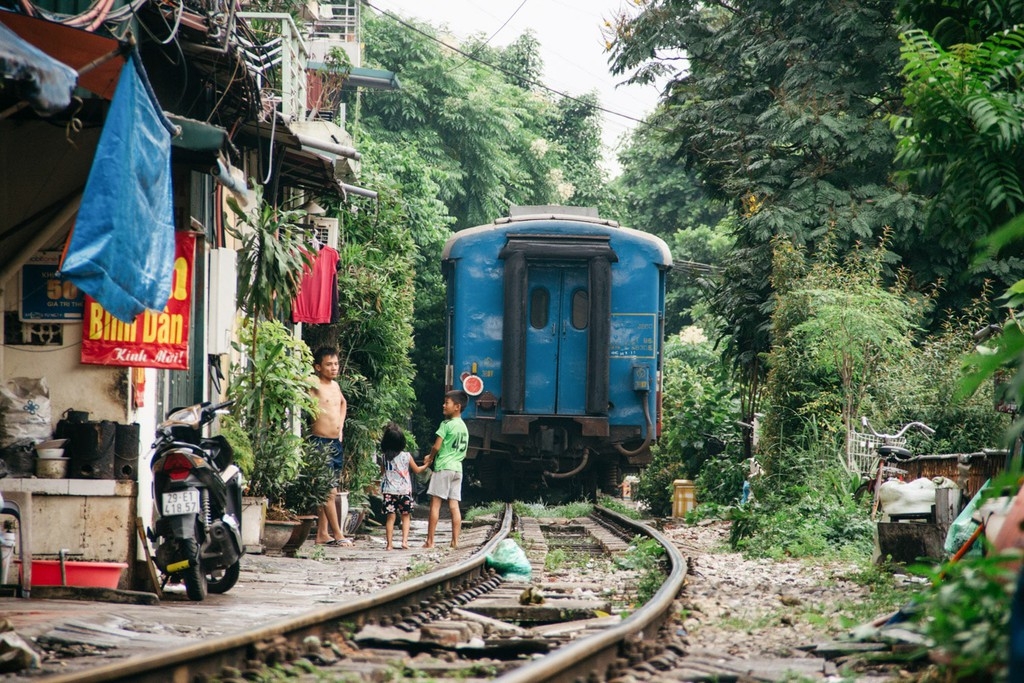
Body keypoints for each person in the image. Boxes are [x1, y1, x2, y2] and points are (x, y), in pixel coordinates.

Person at [308, 346, 352, 547]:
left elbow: (343, 403)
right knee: (328, 491)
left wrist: (341, 426)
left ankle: (322, 534)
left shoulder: (335, 386)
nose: (334, 368)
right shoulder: (313, 384)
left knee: (329, 489)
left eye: (336, 364)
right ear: (318, 367)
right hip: (320, 442)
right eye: (328, 364)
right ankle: (338, 534)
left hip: (335, 443)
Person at [423, 389, 469, 549]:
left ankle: (430, 541)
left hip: (443, 467)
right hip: (458, 469)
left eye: (447, 403)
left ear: (457, 406)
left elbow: (436, 446)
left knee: (435, 504)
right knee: (454, 505)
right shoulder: (463, 427)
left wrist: (430, 457)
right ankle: (455, 541)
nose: (443, 405)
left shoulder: (446, 424)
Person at [379, 422, 429, 550]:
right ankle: (404, 542)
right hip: (404, 491)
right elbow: (417, 470)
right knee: (405, 516)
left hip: (388, 491)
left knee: (390, 518)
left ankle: (389, 544)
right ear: (401, 442)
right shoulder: (406, 456)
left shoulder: (384, 457)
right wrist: (427, 465)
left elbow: (383, 473)